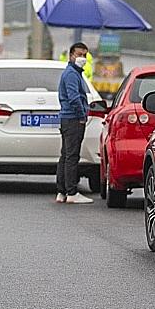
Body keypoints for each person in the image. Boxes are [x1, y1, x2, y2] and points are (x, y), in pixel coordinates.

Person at [56, 42, 93, 204]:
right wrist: (82, 115)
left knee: (65, 155)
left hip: (67, 119)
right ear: (71, 55)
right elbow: (73, 97)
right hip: (73, 119)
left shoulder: (74, 73)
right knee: (72, 156)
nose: (82, 58)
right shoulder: (71, 74)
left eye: (84, 55)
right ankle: (71, 192)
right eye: (79, 55)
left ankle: (62, 192)